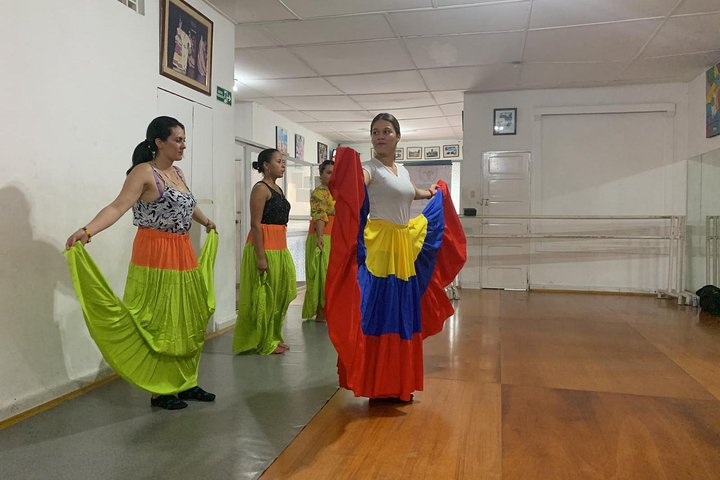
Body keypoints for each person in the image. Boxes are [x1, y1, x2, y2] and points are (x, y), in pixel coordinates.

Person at [64, 116, 218, 410]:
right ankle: (161, 391)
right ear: (159, 142)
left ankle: (185, 381)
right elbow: (118, 206)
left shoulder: (178, 172)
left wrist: (205, 220)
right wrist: (87, 231)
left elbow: (187, 204)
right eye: (178, 140)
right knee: (159, 321)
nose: (184, 145)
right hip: (154, 252)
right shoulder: (143, 173)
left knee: (186, 317)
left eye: (184, 139)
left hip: (182, 250)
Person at [325, 113, 466, 402]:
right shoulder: (369, 169)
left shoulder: (401, 170)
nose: (380, 136)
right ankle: (378, 384)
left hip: (402, 246)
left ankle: (399, 382)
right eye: (375, 131)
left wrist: (430, 193)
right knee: (380, 312)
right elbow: (357, 182)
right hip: (380, 249)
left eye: (386, 131)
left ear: (398, 136)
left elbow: (409, 192)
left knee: (402, 312)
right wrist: (346, 173)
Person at [233, 149, 296, 355]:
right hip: (265, 247)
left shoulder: (277, 188)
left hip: (279, 246)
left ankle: (275, 336)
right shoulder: (260, 189)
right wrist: (261, 256)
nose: (283, 165)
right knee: (265, 296)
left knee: (279, 295)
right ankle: (264, 340)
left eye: (283, 161)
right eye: (279, 161)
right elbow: (256, 224)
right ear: (266, 165)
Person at [301, 160, 335, 321]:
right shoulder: (319, 193)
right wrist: (320, 237)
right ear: (321, 174)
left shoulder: (334, 192)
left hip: (333, 237)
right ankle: (320, 313)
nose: (332, 176)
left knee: (330, 275)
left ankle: (329, 310)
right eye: (328, 172)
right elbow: (320, 215)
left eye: (334, 173)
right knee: (321, 274)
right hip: (322, 235)